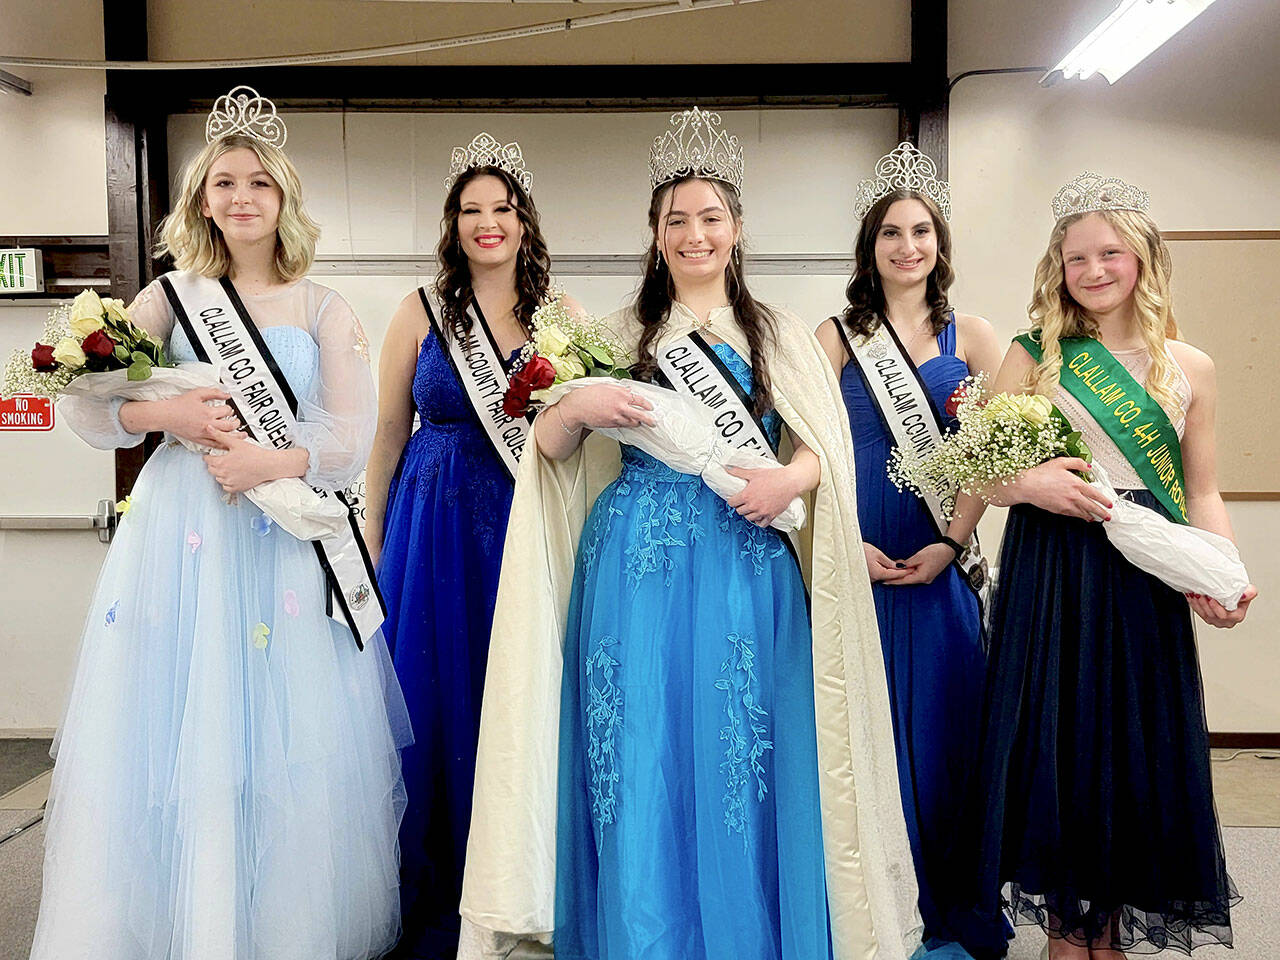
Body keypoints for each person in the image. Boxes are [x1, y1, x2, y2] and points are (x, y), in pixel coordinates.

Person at [459, 107, 922, 960]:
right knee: (639, 755)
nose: (695, 233)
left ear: (737, 230)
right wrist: (579, 407)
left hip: (747, 565)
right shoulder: (614, 333)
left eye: (711, 218)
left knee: (737, 755)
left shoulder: (778, 332)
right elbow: (551, 452)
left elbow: (824, 452)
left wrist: (790, 477)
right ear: (655, 233)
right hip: (633, 563)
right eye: (678, 220)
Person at [30, 86, 409, 960]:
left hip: (281, 533)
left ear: (285, 200)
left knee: (283, 731)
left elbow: (350, 441)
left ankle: (278, 927)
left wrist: (268, 461)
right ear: (203, 198)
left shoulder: (325, 309)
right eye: (225, 183)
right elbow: (90, 410)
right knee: (181, 716)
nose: (242, 198)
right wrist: (174, 419)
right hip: (183, 534)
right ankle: (178, 921)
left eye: (259, 184)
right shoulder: (170, 296)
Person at [948, 173, 1257, 960]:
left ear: (1144, 259)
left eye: (1110, 252)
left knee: (1130, 744)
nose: (1092, 270)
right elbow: (980, 476)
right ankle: (1062, 931)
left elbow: (1201, 487)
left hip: (1144, 570)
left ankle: (1110, 931)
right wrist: (1033, 485)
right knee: (1056, 740)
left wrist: (1222, 572)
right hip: (1053, 566)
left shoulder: (1191, 365)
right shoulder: (1034, 356)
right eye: (1075, 256)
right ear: (1058, 266)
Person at [362, 133, 561, 960]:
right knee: (432, 700)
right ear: (453, 225)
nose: (488, 223)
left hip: (516, 528)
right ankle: (431, 888)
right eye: (471, 210)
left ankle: (509, 881)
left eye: (501, 209)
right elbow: (384, 434)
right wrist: (374, 547)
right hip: (429, 528)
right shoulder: (419, 308)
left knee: (509, 699)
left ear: (524, 223)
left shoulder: (561, 317)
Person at [814, 142, 1002, 957]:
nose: (906, 246)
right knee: (867, 738)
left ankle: (948, 899)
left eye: (920, 230)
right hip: (861, 556)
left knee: (947, 733)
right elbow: (807, 446)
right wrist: (843, 541)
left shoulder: (977, 333)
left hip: (939, 562)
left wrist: (952, 540)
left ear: (939, 243)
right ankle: (875, 905)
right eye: (891, 232)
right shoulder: (832, 335)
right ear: (870, 247)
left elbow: (993, 455)